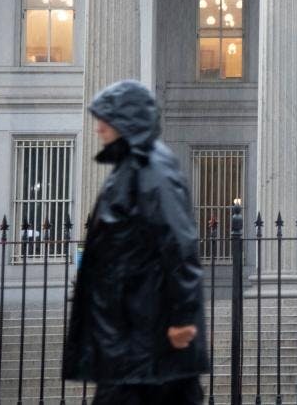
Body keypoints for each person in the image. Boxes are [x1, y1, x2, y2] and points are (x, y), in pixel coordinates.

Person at [63, 80, 208, 404]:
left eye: (106, 118)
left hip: (148, 342)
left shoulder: (151, 171)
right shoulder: (132, 168)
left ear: (127, 122)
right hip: (132, 339)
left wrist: (182, 318)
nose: (98, 127)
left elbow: (179, 246)